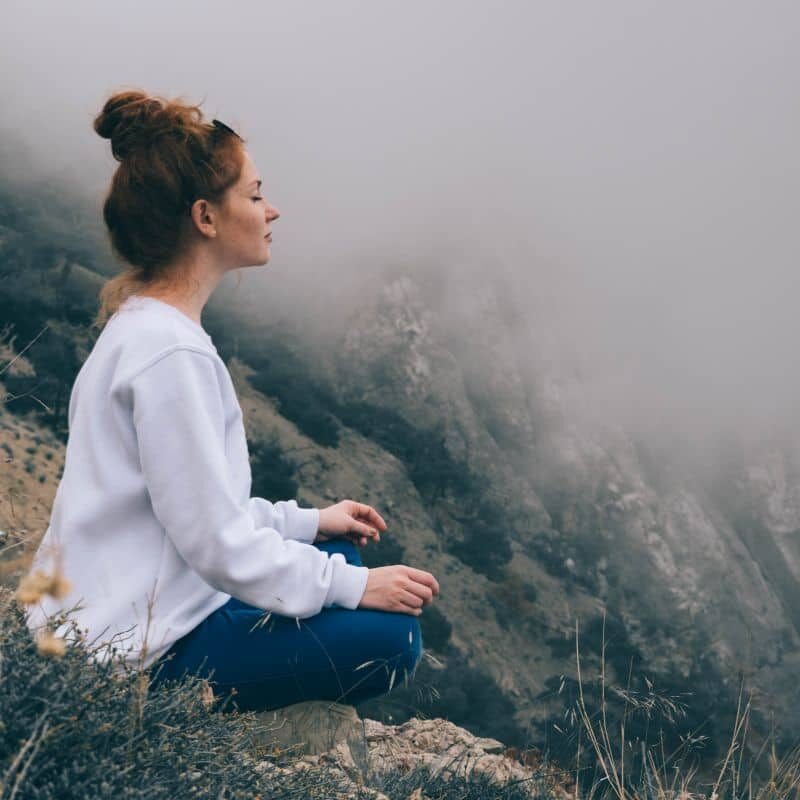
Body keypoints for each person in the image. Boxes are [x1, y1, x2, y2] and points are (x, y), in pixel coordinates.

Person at [23, 89, 439, 712]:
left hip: (116, 617)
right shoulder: (172, 355)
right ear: (205, 218)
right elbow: (213, 542)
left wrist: (308, 522)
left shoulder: (144, 328)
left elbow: (188, 509)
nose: (272, 210)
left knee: (336, 552)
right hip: (128, 657)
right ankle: (171, 712)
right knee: (393, 638)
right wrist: (351, 586)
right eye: (254, 194)